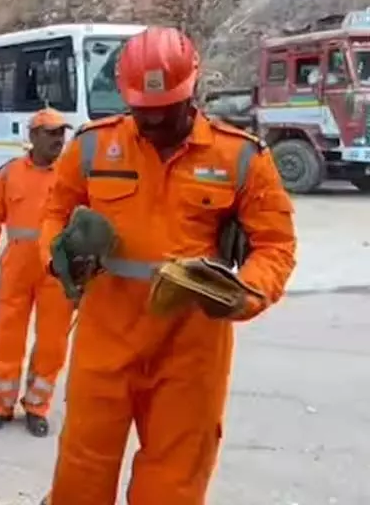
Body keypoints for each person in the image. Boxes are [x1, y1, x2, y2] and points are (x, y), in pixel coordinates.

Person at [38, 27, 297, 505]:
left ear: (191, 92)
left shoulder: (239, 157)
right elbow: (56, 210)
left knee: (174, 482)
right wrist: (60, 255)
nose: (151, 122)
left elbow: (275, 244)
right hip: (105, 341)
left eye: (164, 111)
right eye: (142, 110)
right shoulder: (93, 147)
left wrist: (247, 294)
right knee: (81, 473)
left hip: (190, 349)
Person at [0, 108, 75, 439]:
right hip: (17, 265)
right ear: (32, 137)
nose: (58, 139)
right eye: (50, 133)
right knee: (7, 336)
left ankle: (36, 405)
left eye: (61, 133)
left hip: (57, 269)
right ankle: (1, 404)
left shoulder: (72, 175)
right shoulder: (8, 175)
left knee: (52, 341)